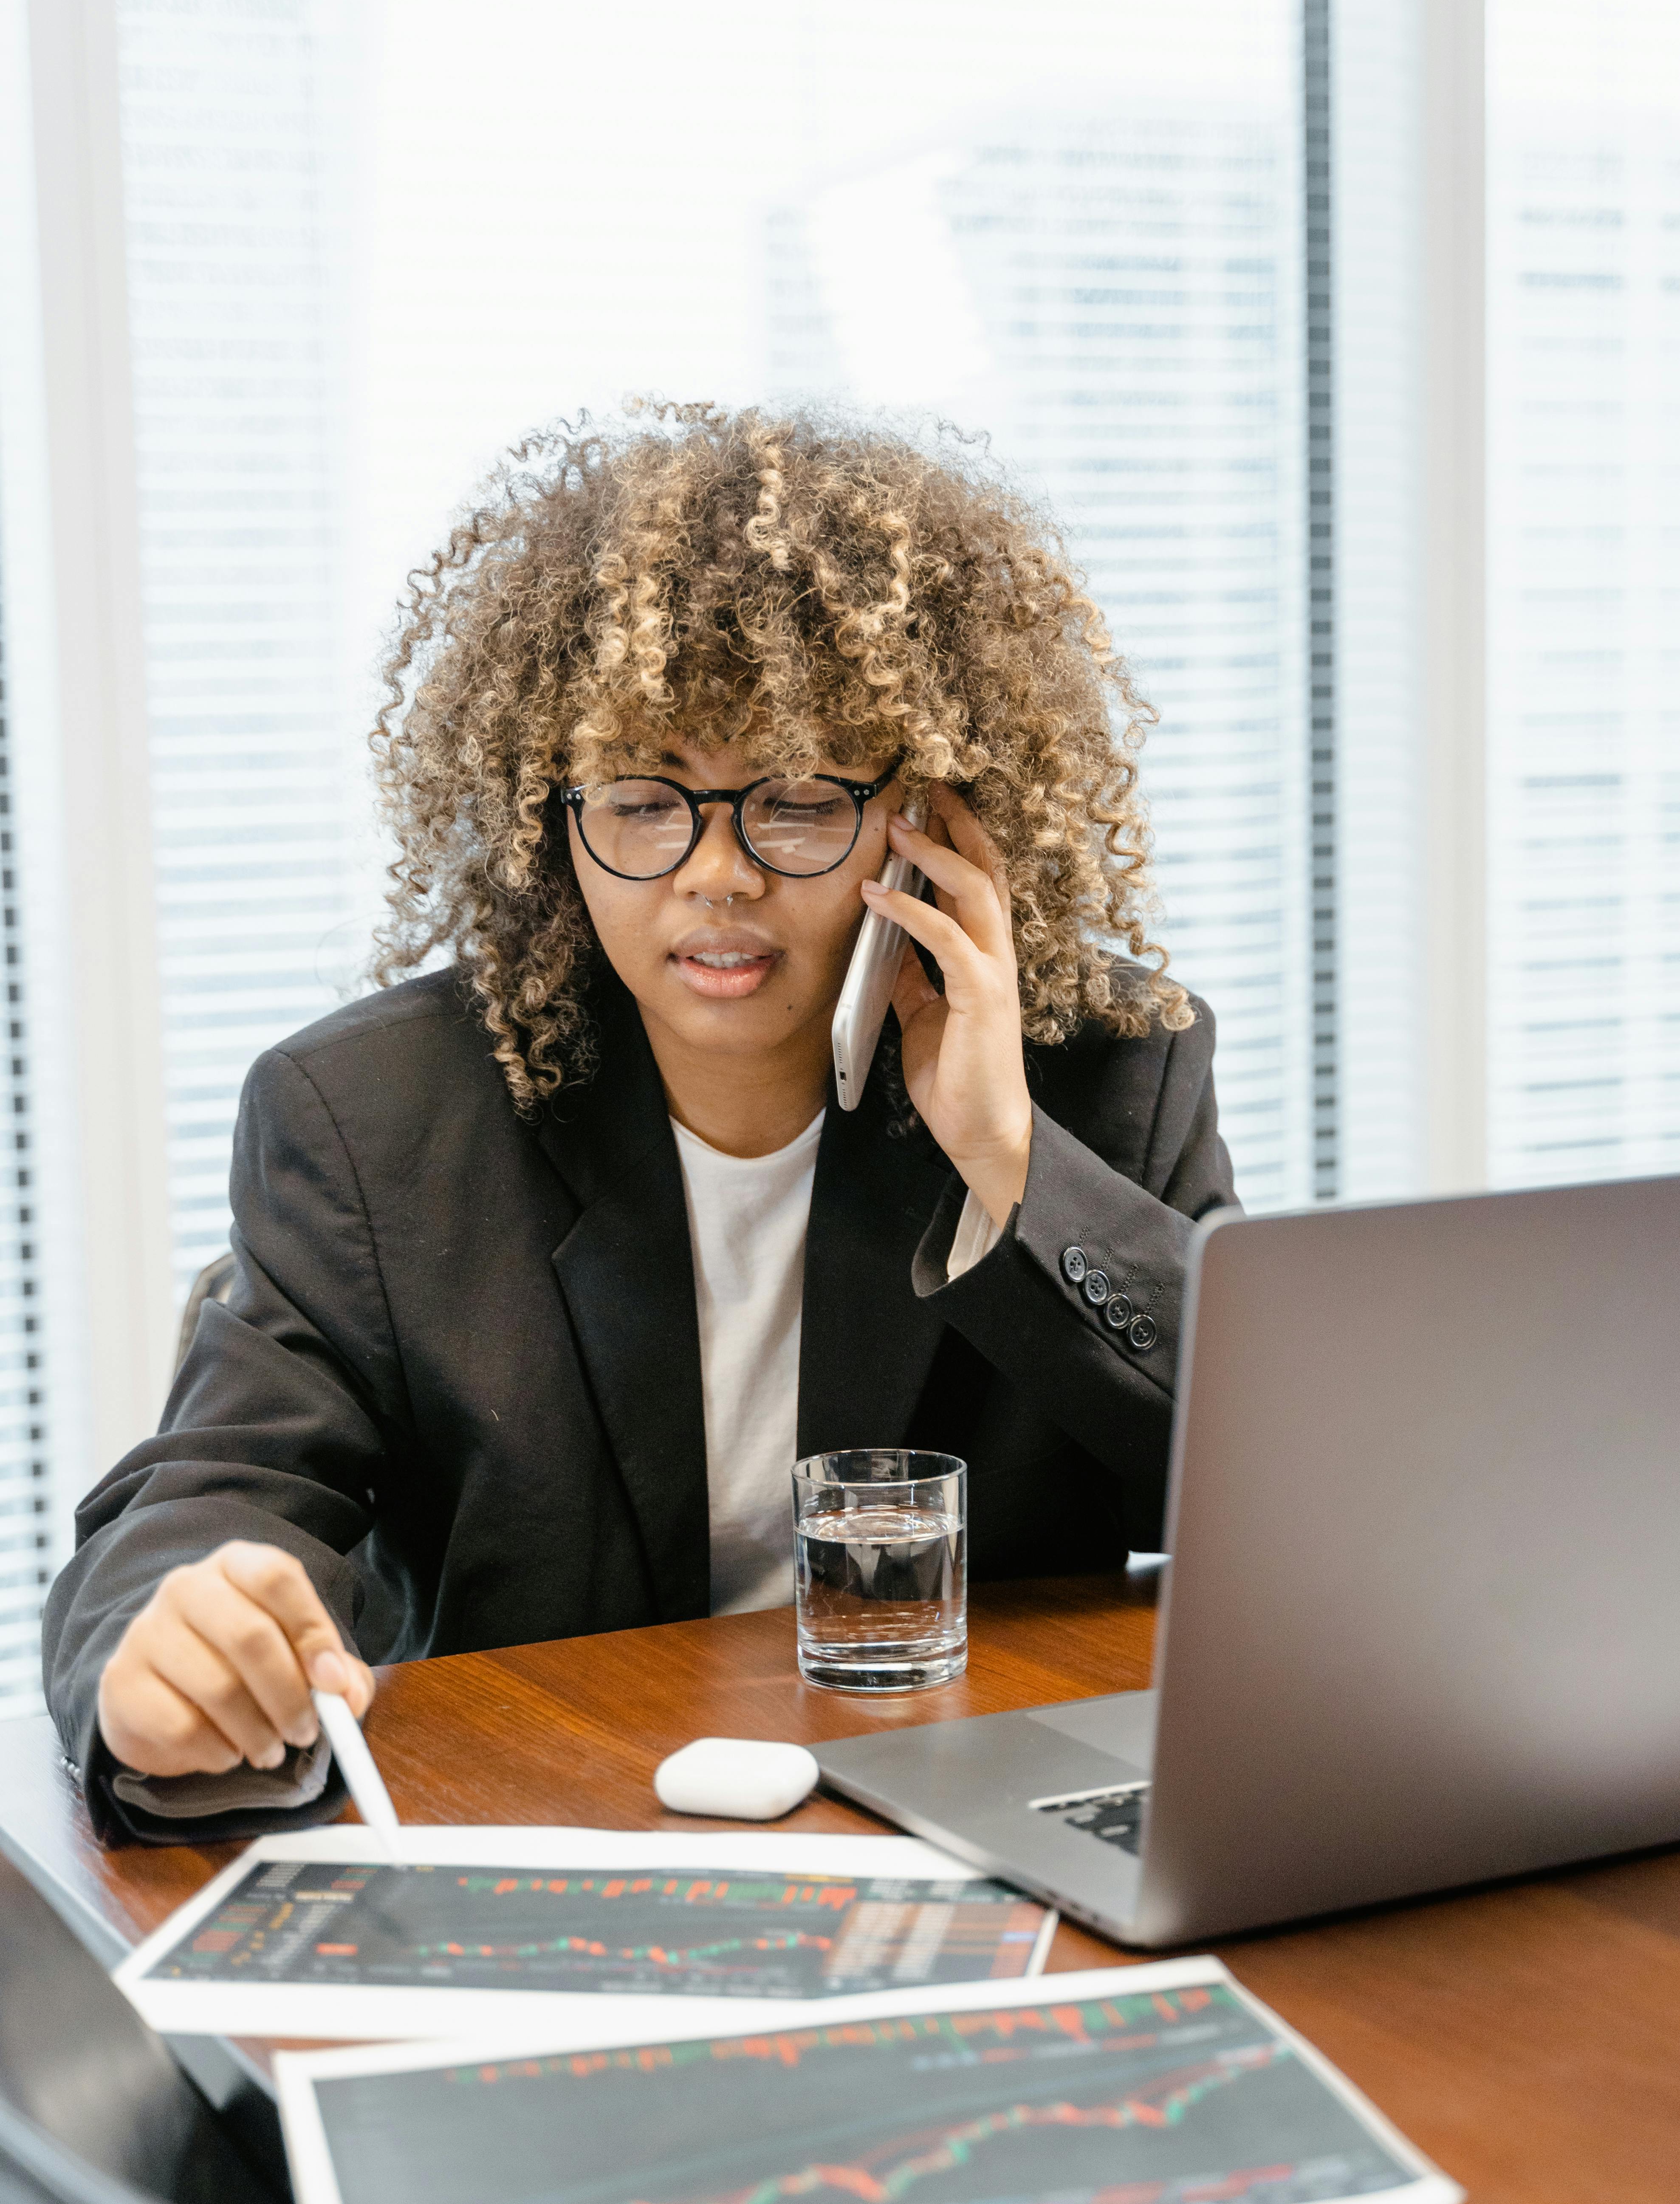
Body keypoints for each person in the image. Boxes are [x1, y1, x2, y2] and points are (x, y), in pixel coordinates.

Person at [43, 404, 1237, 1844]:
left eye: (796, 801)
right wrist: (158, 1653)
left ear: (921, 816)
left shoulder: (1099, 1072)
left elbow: (1283, 1509)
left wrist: (1012, 1162)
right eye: (643, 800)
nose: (715, 874)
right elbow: (214, 1490)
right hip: (563, 1825)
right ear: (554, 817)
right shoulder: (375, 1120)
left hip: (979, 1823)